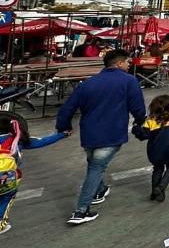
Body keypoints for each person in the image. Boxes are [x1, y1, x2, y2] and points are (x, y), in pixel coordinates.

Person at [56, 49, 146, 225]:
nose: (129, 65)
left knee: (95, 164)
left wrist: (63, 127)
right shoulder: (129, 81)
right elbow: (137, 107)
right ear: (119, 63)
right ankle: (81, 210)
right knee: (95, 169)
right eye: (127, 62)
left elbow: (67, 108)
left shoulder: (88, 83)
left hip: (89, 134)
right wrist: (141, 121)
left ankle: (101, 190)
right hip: (111, 133)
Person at [0, 113, 67, 235]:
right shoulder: (18, 141)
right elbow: (43, 141)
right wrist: (62, 135)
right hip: (6, 180)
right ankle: (0, 224)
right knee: (6, 198)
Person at [131, 94, 169, 203]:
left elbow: (142, 135)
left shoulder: (151, 121)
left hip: (155, 151)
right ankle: (161, 187)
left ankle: (153, 192)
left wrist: (136, 128)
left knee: (157, 169)